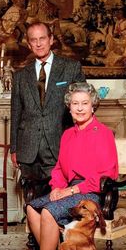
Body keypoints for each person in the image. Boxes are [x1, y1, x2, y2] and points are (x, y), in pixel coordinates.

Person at [11, 82, 119, 250]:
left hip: (93, 193)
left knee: (49, 212)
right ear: (69, 107)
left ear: (93, 106)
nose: (79, 108)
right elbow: (59, 168)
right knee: (32, 208)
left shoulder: (103, 133)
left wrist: (69, 191)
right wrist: (56, 188)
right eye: (75, 103)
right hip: (69, 189)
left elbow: (107, 175)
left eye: (84, 103)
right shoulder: (68, 134)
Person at [10, 21, 86, 187]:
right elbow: (16, 113)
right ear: (29, 44)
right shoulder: (20, 76)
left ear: (51, 40)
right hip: (28, 149)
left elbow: (84, 104)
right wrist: (14, 148)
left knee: (57, 200)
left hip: (58, 145)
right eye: (33, 40)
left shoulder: (71, 68)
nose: (38, 43)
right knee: (31, 200)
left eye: (42, 38)